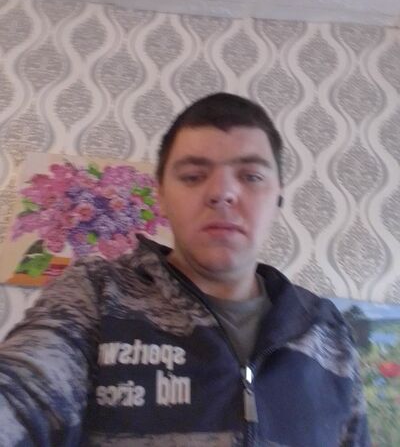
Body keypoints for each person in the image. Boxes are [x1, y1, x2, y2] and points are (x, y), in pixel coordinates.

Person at [0, 93, 370, 446]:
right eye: (193, 176)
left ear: (278, 197)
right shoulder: (93, 294)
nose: (222, 192)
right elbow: (22, 392)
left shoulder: (327, 328)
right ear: (160, 195)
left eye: (251, 176)